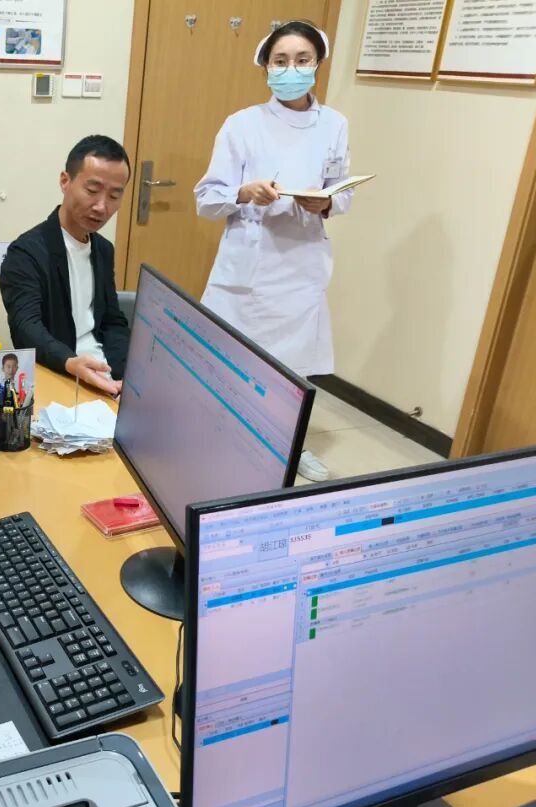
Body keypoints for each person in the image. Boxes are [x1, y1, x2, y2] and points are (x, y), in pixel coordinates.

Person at [194, 20, 351, 482]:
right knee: (230, 365)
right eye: (280, 61)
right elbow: (206, 199)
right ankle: (217, 443)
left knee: (292, 373)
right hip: (249, 267)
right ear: (265, 66)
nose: (291, 70)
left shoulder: (335, 124)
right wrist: (244, 192)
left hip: (301, 267)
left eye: (302, 60)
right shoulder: (243, 124)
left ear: (318, 65)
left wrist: (325, 202)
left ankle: (289, 447)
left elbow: (342, 191)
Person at [0, 135, 132, 397]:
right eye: (92, 190)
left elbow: (112, 321)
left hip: (106, 376)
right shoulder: (26, 253)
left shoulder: (103, 249)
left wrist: (124, 375)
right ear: (65, 181)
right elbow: (26, 328)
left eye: (114, 196)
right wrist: (70, 362)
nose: (102, 206)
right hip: (61, 372)